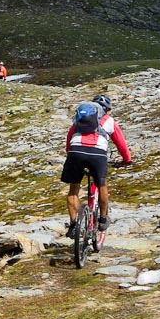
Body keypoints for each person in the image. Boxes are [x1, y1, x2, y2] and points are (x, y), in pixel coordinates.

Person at [62, 94, 131, 238]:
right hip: (97, 154)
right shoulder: (109, 121)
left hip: (76, 152)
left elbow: (69, 140)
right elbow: (121, 145)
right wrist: (126, 160)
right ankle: (103, 220)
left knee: (74, 188)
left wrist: (71, 154)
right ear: (107, 110)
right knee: (102, 185)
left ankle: (74, 225)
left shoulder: (79, 119)